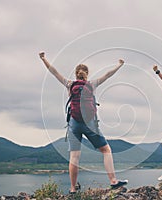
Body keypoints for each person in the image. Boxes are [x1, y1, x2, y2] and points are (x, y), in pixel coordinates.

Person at [39, 52, 128, 194]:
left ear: (76, 74)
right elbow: (108, 74)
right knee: (106, 150)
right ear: (87, 74)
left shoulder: (69, 84)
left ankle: (73, 188)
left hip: (74, 123)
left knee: (74, 157)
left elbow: (54, 72)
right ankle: (113, 180)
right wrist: (119, 64)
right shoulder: (91, 84)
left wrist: (43, 58)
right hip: (90, 123)